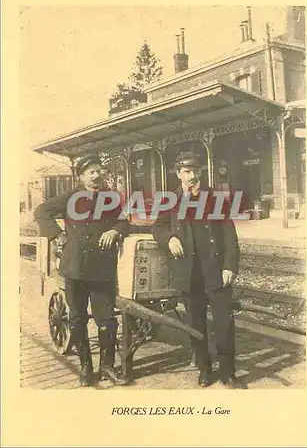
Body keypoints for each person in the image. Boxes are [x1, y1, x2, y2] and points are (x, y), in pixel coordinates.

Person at [152, 152, 246, 388]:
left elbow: (229, 236)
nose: (191, 176)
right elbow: (158, 228)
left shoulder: (215, 199)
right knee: (196, 323)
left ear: (201, 172)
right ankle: (204, 369)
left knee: (224, 323)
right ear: (178, 173)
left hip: (215, 270)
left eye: (195, 171)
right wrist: (169, 238)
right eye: (186, 171)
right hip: (189, 271)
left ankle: (227, 372)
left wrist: (229, 266)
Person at [34, 154, 130, 387]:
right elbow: (41, 212)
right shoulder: (70, 197)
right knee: (77, 319)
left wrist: (115, 230)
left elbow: (124, 220)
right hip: (75, 267)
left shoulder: (111, 198)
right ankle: (86, 367)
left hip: (102, 269)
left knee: (106, 319)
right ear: (82, 176)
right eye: (91, 172)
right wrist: (58, 236)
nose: (96, 175)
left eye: (99, 171)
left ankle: (107, 366)